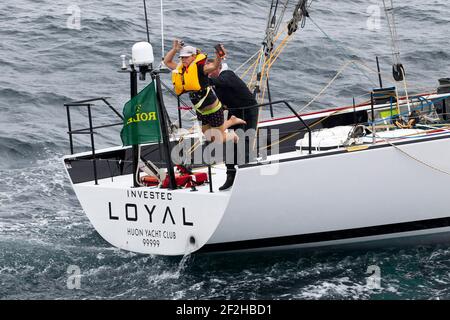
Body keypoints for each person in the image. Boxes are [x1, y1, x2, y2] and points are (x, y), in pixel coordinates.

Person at [163, 40, 245, 143]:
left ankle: (233, 135)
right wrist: (175, 49)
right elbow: (167, 62)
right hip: (201, 110)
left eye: (186, 57)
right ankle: (231, 121)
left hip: (213, 109)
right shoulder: (182, 69)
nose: (183, 59)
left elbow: (214, 66)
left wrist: (218, 55)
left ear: (193, 56)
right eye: (182, 57)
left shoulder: (202, 69)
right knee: (208, 137)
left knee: (217, 139)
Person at [206, 58, 259, 191]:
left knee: (244, 141)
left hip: (248, 111)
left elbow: (220, 82)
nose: (209, 74)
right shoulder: (216, 78)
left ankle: (246, 177)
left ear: (218, 68)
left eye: (210, 71)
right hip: (234, 111)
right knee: (230, 143)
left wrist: (201, 79)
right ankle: (230, 176)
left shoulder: (227, 74)